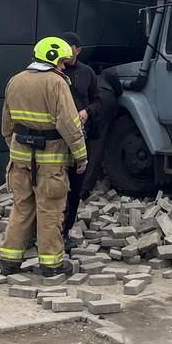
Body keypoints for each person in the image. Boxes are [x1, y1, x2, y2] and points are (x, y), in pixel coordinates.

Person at [0, 36, 88, 278]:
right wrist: (81, 157)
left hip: (19, 159)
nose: (63, 66)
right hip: (50, 163)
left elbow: (7, 123)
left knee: (21, 208)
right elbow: (69, 126)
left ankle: (9, 260)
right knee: (50, 211)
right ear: (52, 58)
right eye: (61, 61)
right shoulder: (56, 83)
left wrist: (14, 147)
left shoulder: (15, 80)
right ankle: (51, 264)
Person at [58, 31, 103, 252]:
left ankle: (64, 232)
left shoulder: (87, 73)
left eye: (70, 47)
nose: (66, 51)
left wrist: (87, 112)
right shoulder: (54, 72)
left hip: (81, 135)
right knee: (53, 189)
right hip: (57, 139)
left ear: (78, 50)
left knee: (74, 189)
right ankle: (46, 233)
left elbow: (98, 100)